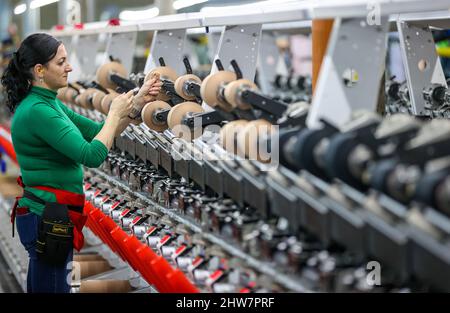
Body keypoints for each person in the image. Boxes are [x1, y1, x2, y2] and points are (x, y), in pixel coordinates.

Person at [0, 33, 162, 293]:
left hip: (51, 214)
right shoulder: (38, 111)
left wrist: (137, 103)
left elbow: (98, 131)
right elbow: (92, 154)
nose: (70, 67)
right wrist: (115, 113)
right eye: (62, 62)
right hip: (47, 219)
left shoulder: (48, 102)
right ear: (40, 70)